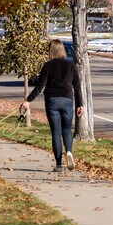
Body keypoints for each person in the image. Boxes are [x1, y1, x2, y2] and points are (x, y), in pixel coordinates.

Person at [20, 39, 84, 172]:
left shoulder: (47, 66)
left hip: (52, 101)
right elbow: (77, 87)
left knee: (56, 132)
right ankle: (69, 152)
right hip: (67, 100)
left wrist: (28, 100)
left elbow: (40, 86)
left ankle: (59, 165)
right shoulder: (71, 66)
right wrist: (80, 104)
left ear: (51, 50)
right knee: (67, 130)